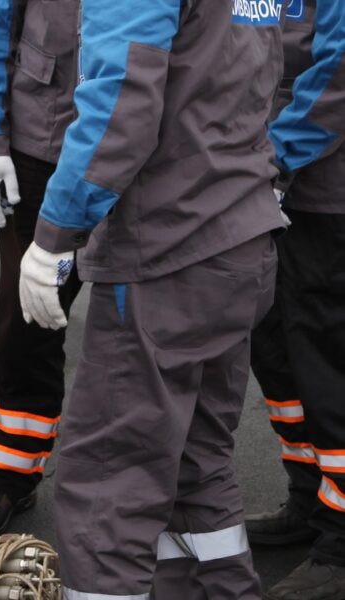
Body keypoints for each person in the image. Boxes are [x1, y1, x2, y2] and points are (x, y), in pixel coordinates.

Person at [18, 0, 288, 598]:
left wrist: (53, 235)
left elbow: (119, 105)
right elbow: (277, 71)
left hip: (168, 252)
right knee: (197, 461)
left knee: (111, 478)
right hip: (238, 237)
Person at [0, 0, 82, 537]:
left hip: (147, 150)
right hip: (42, 146)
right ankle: (8, 475)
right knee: (25, 322)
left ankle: (153, 475)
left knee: (146, 324)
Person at [244, 0, 345, 597]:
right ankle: (310, 500)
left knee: (328, 367)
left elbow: (336, 73)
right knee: (277, 351)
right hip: (275, 187)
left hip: (325, 196)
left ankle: (340, 539)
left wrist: (272, 162)